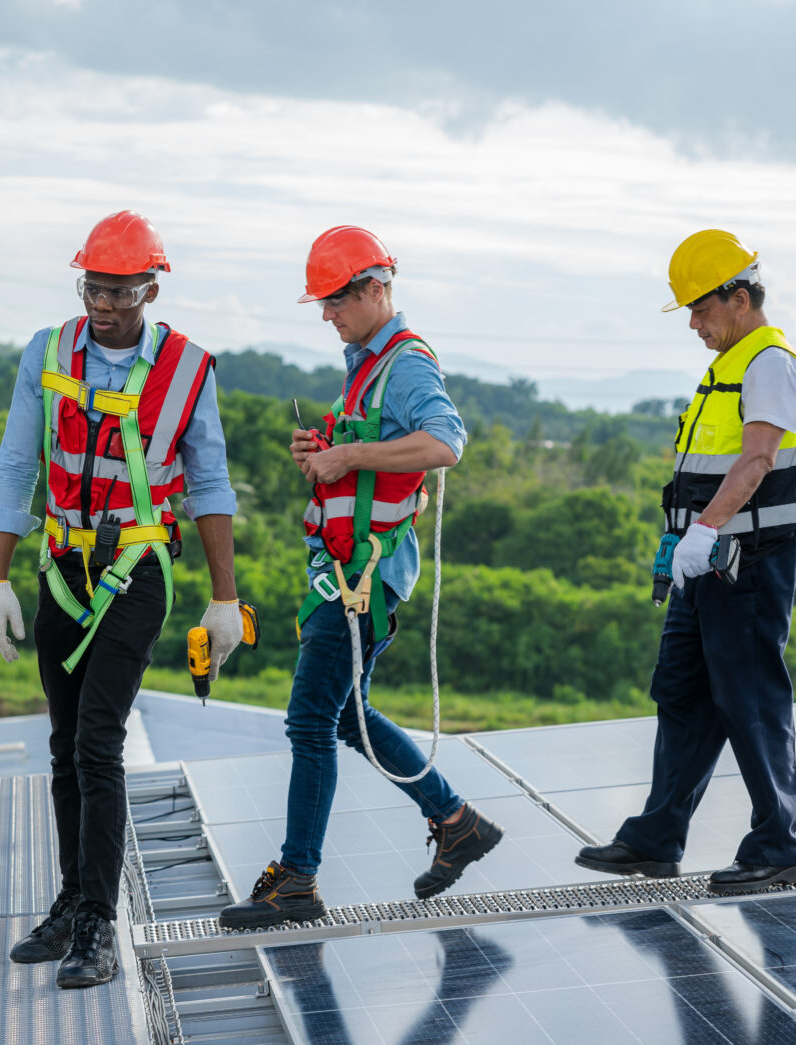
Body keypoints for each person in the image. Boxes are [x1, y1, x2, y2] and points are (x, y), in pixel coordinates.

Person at [0, 210, 244, 986]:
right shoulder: (49, 351)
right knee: (64, 745)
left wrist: (223, 595)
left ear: (150, 288)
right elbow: (14, 463)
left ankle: (100, 920)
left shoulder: (188, 368)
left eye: (119, 291)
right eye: (92, 286)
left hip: (135, 571)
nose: (101, 303)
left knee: (100, 740)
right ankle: (72, 898)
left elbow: (208, 483)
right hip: (62, 565)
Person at [220, 226, 503, 929]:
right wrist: (326, 451)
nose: (327, 314)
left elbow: (446, 442)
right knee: (344, 714)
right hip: (345, 572)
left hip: (363, 579)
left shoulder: (404, 363)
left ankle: (298, 879)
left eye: (336, 299)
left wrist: (348, 460)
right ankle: (456, 820)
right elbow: (375, 457)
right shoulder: (365, 363)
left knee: (311, 718)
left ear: (377, 288)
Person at [575, 229, 796, 895]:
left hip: (746, 560)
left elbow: (758, 459)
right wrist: (685, 540)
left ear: (740, 299)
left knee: (750, 696)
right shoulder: (729, 363)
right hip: (702, 561)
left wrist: (703, 530)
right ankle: (656, 837)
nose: (693, 323)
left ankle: (778, 844)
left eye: (702, 309)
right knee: (683, 692)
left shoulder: (770, 363)